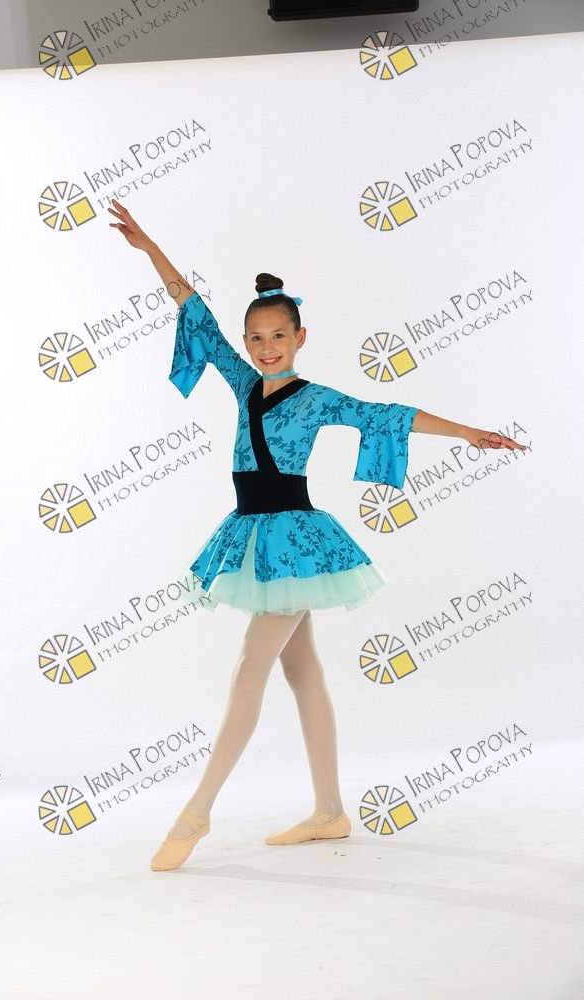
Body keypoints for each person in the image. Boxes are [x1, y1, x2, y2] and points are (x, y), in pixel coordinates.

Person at [108, 198, 527, 872]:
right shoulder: (242, 384)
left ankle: (197, 813)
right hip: (251, 532)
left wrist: (468, 433)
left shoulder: (315, 397)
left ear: (300, 337)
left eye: (278, 335)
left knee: (251, 666)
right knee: (301, 670)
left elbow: (385, 413)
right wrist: (150, 247)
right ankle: (330, 812)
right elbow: (193, 310)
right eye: (256, 338)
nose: (266, 347)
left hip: (295, 542)